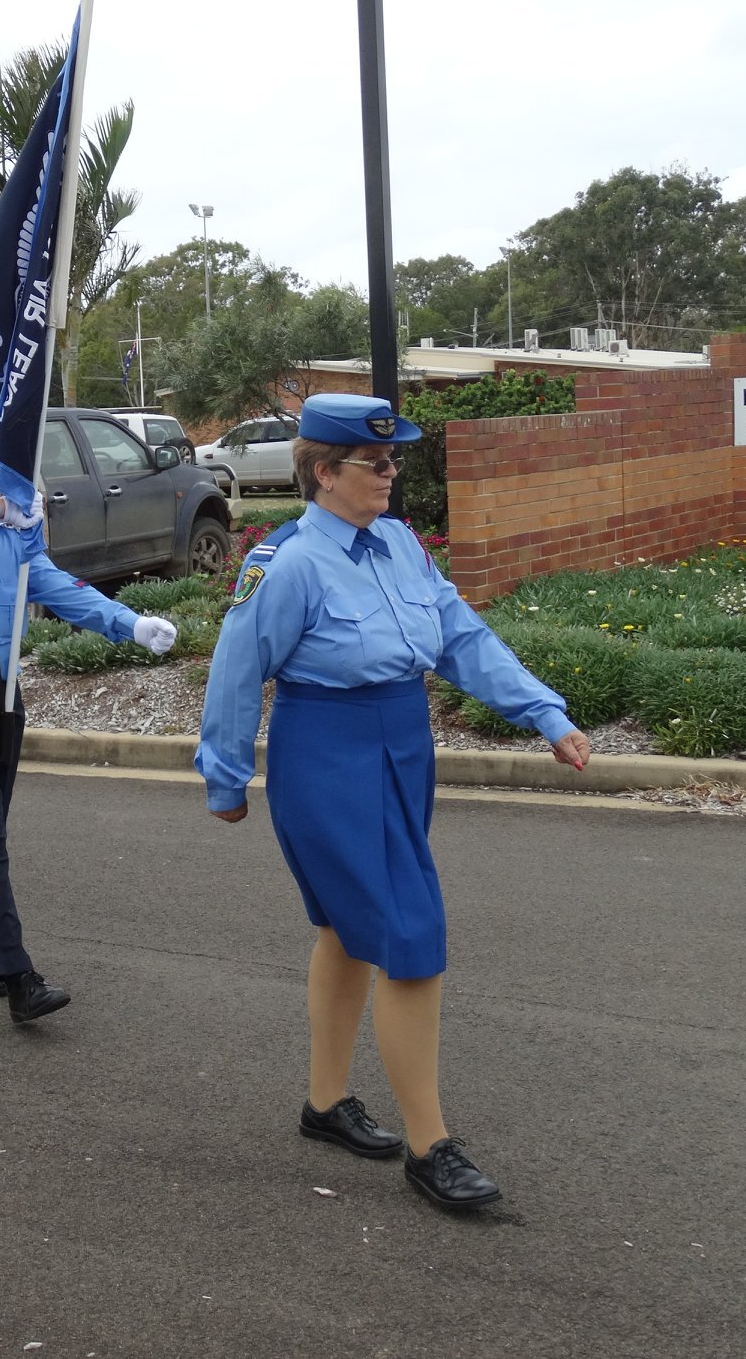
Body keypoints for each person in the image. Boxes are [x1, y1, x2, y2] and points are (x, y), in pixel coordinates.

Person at [195, 393, 593, 1212]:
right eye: (375, 462)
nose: (390, 472)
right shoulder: (288, 560)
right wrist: (225, 777)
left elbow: (461, 637)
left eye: (392, 460)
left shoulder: (401, 544)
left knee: (349, 930)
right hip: (327, 757)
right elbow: (238, 668)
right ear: (323, 472)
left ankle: (325, 1103)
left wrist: (544, 713)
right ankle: (430, 1146)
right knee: (410, 932)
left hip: (403, 747)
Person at [0, 429, 179, 1024]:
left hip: (0, 698)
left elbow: (54, 585)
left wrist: (128, 624)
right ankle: (16, 973)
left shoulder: (10, 539)